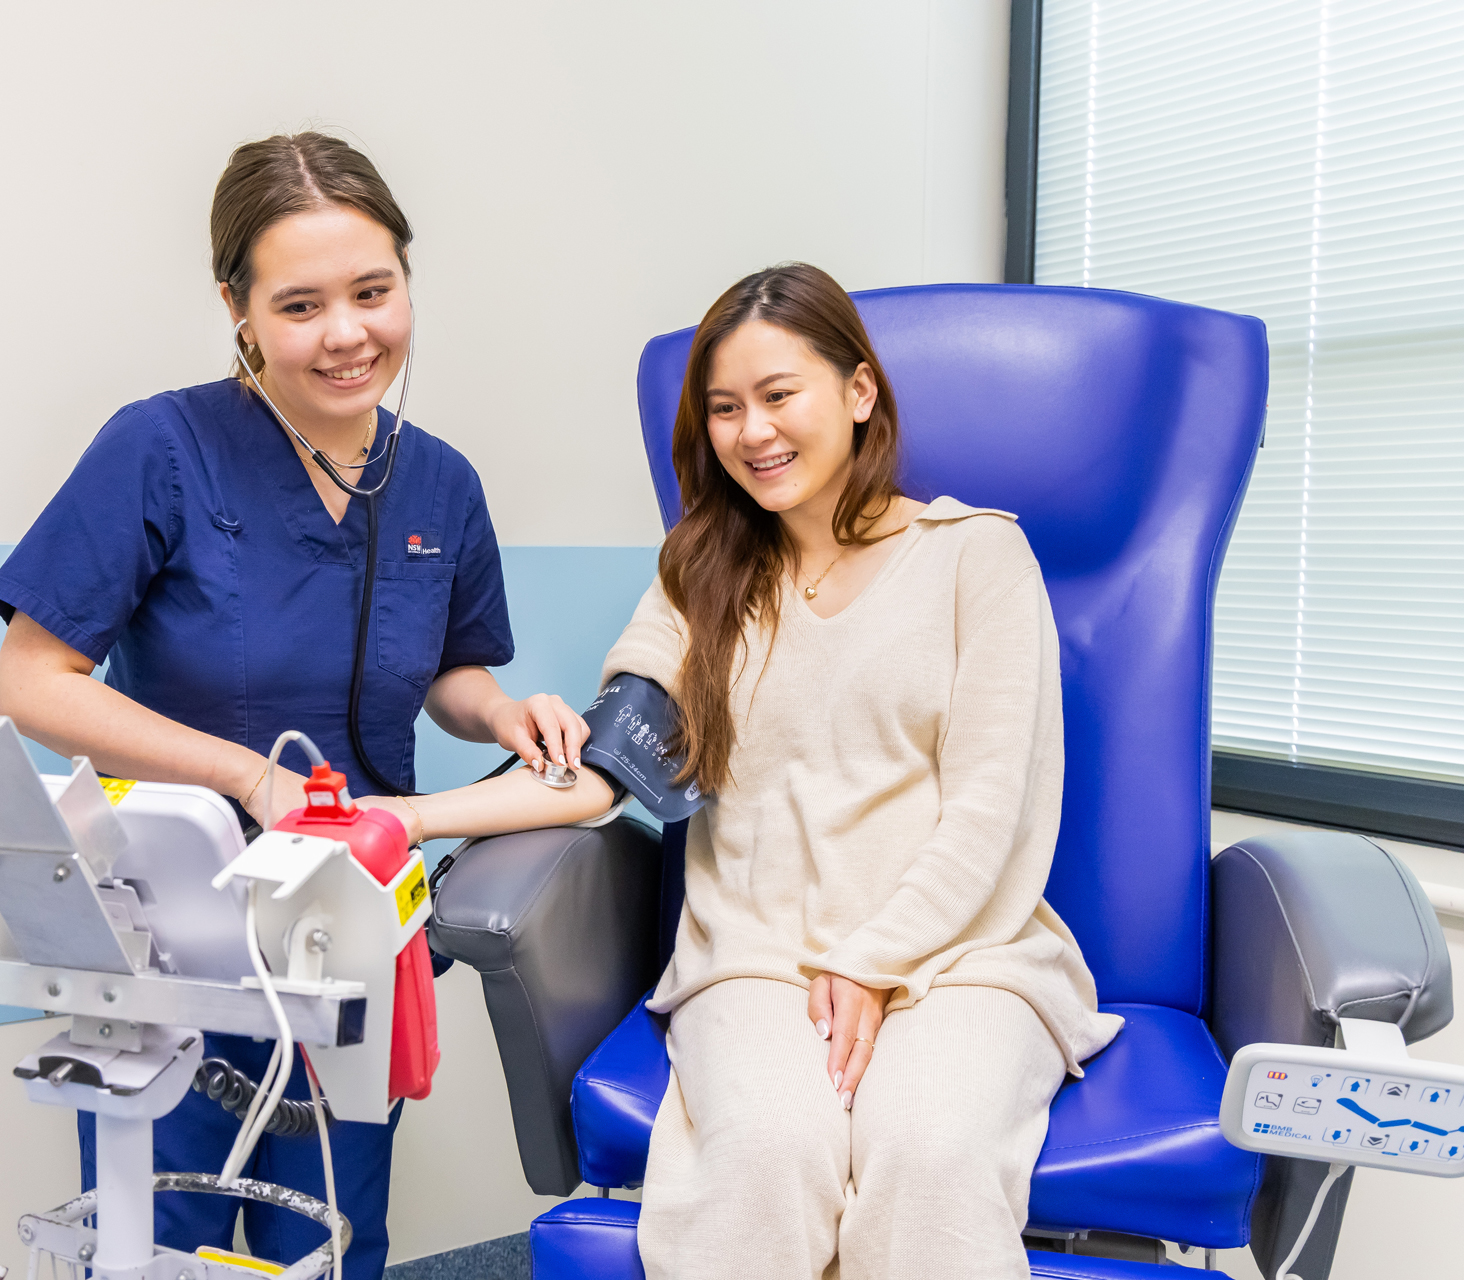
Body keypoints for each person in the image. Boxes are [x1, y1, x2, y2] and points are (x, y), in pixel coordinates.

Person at [385, 264, 1125, 1278]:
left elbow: (994, 807)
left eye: (780, 395)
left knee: (930, 1156)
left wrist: (873, 959)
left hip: (963, 955)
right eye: (724, 407)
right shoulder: (702, 574)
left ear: (859, 392)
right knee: (765, 1157)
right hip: (758, 956)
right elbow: (608, 769)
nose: (753, 431)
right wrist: (407, 816)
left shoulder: (978, 557)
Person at [0, 131, 588, 1278]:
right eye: (302, 304)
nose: (349, 333)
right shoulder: (162, 448)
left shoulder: (440, 482)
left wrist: (504, 715)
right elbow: (32, 682)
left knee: (334, 1240)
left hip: (351, 926)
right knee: (163, 1243)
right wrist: (247, 773)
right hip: (174, 933)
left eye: (374, 291)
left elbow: (449, 669)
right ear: (239, 308)